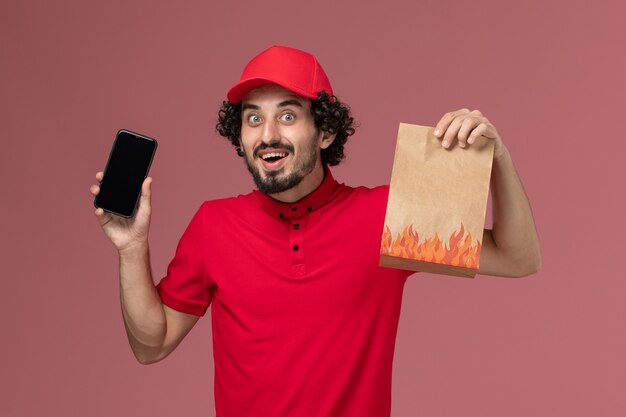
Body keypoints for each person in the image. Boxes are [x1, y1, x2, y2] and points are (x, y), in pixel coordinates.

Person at [90, 45, 541, 417]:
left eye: (287, 116)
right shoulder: (214, 224)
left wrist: (498, 158)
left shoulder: (386, 216)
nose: (267, 134)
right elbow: (152, 345)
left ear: (325, 132)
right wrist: (131, 249)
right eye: (252, 118)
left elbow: (518, 258)